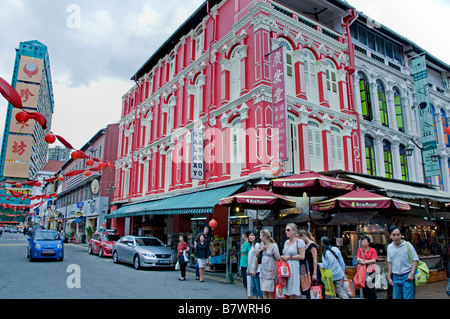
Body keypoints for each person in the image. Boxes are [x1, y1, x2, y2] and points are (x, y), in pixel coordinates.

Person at [387, 225, 418, 299]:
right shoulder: (389, 247)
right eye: (394, 235)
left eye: (398, 234)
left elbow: (415, 260)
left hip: (407, 276)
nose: (396, 237)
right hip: (395, 277)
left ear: (401, 235)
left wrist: (411, 273)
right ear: (390, 236)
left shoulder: (407, 245)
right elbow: (390, 262)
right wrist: (389, 276)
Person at [297, 228, 324, 299]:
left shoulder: (312, 245)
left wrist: (314, 273)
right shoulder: (305, 245)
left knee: (314, 289)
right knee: (309, 291)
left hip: (313, 269)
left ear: (303, 236)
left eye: (299, 239)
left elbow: (315, 259)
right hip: (308, 270)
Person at [280, 223, 305, 299]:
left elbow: (302, 256)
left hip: (295, 267)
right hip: (286, 267)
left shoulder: (299, 242)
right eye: (285, 230)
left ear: (294, 231)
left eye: (288, 230)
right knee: (289, 291)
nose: (286, 232)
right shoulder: (286, 242)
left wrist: (290, 257)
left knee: (295, 291)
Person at [258, 229, 280, 299]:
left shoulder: (274, 246)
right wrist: (261, 250)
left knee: (270, 291)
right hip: (263, 270)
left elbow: (278, 257)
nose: (260, 237)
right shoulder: (261, 245)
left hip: (270, 269)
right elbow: (256, 254)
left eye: (261, 236)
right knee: (264, 291)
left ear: (265, 237)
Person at [248, 229, 263, 299]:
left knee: (258, 288)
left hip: (256, 270)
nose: (250, 237)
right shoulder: (252, 246)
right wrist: (249, 268)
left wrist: (254, 270)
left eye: (252, 235)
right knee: (254, 288)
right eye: (250, 235)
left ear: (256, 236)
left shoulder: (257, 245)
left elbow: (257, 258)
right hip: (251, 270)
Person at [239, 231, 251, 297]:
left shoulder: (248, 244)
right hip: (243, 264)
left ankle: (249, 296)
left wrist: (248, 266)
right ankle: (247, 296)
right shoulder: (243, 244)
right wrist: (240, 265)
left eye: (242, 234)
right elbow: (242, 255)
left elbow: (250, 255)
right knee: (245, 283)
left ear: (245, 235)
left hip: (247, 265)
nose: (242, 236)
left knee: (248, 282)